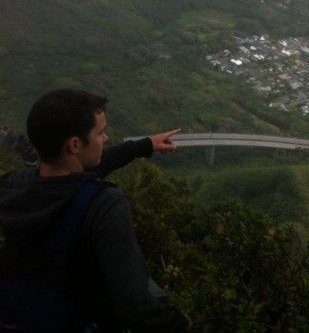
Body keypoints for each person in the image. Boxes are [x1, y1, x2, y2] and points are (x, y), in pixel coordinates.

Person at [0, 89, 189, 332]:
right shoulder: (104, 205)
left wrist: (145, 145)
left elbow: (82, 170)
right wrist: (184, 324)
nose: (106, 137)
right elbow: (135, 307)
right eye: (100, 133)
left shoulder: (11, 185)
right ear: (75, 144)